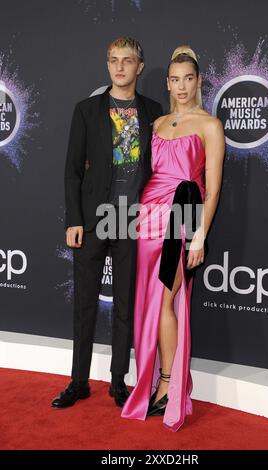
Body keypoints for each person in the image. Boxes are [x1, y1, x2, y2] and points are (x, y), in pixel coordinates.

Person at [51, 37, 163, 409]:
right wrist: (74, 220)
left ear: (139, 66)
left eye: (127, 60)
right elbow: (71, 171)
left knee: (125, 304)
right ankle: (79, 381)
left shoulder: (153, 110)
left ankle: (118, 381)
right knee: (84, 302)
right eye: (113, 60)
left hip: (133, 219)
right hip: (95, 217)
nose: (119, 67)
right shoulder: (86, 110)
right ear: (108, 64)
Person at [121, 45, 225, 431]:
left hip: (181, 219)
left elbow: (212, 189)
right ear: (167, 82)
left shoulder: (210, 126)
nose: (182, 86)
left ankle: (168, 386)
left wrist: (199, 238)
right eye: (175, 80)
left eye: (189, 79)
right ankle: (155, 381)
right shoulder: (157, 124)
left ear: (198, 81)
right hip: (148, 216)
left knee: (167, 299)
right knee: (150, 304)